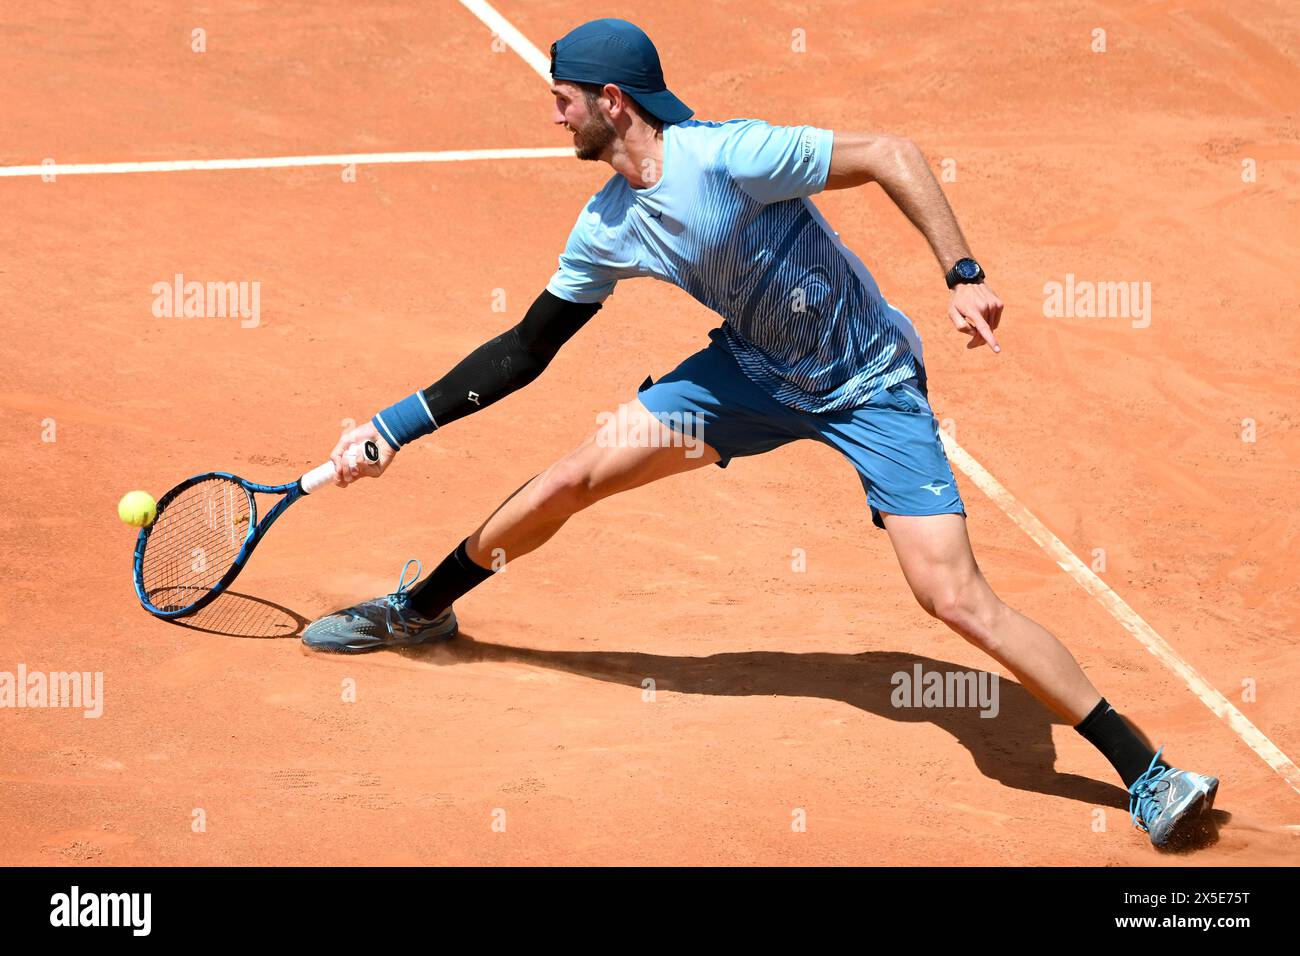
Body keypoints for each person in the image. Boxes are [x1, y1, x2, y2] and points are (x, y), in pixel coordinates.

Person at [303, 18, 1219, 848]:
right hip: (749, 376)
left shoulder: (730, 156)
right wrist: (390, 429)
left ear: (610, 103)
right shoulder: (607, 226)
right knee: (568, 481)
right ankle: (420, 609)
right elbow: (524, 349)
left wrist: (962, 271)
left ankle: (1147, 771)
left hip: (871, 386)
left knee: (954, 598)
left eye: (564, 100)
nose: (555, 118)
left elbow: (892, 152)